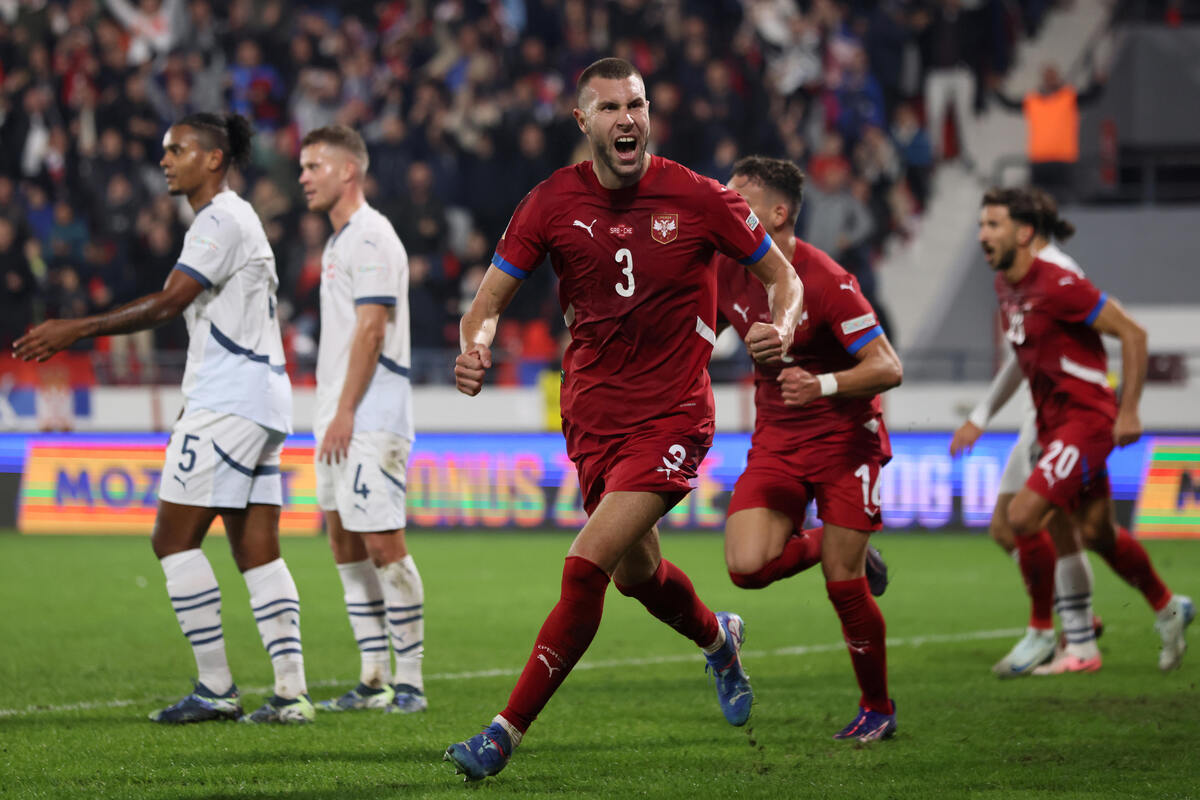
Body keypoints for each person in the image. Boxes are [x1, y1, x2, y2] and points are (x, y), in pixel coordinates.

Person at [443, 57, 804, 781]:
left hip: (672, 417)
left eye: (635, 105)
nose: (626, 119)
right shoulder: (548, 203)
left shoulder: (700, 197)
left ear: (649, 114)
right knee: (640, 576)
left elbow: (783, 279)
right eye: (609, 108)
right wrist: (474, 348)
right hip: (592, 421)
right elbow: (485, 305)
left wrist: (784, 328)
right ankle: (718, 638)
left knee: (585, 569)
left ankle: (502, 734)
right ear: (584, 122)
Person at [14, 112, 314, 722]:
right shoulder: (234, 219)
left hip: (230, 401)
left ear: (213, 158)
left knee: (172, 539)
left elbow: (170, 301)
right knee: (256, 547)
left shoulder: (220, 219)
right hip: (258, 398)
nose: (165, 160)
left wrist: (79, 328)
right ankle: (290, 693)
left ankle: (215, 689)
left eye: (177, 149)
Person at [714, 156, 902, 742]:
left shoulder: (827, 281)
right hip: (776, 439)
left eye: (737, 199)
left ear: (778, 212)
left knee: (843, 586)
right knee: (746, 568)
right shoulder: (727, 272)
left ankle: (878, 708)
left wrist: (823, 383)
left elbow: (888, 367)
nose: (726, 208)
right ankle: (839, 544)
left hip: (845, 440)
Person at [977, 187, 1193, 675]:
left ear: (1024, 232)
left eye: (993, 225)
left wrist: (1130, 410)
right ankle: (1165, 606)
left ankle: (1040, 633)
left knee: (1021, 517)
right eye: (981, 225)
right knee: (1095, 531)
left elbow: (1133, 334)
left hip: (1086, 420)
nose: (982, 235)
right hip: (1053, 424)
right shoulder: (1006, 286)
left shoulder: (1058, 283)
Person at [297, 124, 426, 714]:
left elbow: (373, 328)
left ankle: (411, 681)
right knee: (343, 537)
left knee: (382, 542)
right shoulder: (339, 242)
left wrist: (346, 410)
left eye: (313, 166)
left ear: (349, 171)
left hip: (371, 413)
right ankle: (373, 676)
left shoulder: (372, 237)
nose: (303, 178)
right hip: (339, 411)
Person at [992, 64, 1106, 202]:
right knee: (1039, 203)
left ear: (1058, 78)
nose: (1050, 80)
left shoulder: (1069, 98)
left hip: (1063, 161)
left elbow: (1091, 97)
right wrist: (996, 90)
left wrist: (1098, 84)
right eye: (1047, 76)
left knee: (1064, 201)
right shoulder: (1032, 100)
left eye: (1052, 76)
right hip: (1040, 161)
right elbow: (1009, 104)